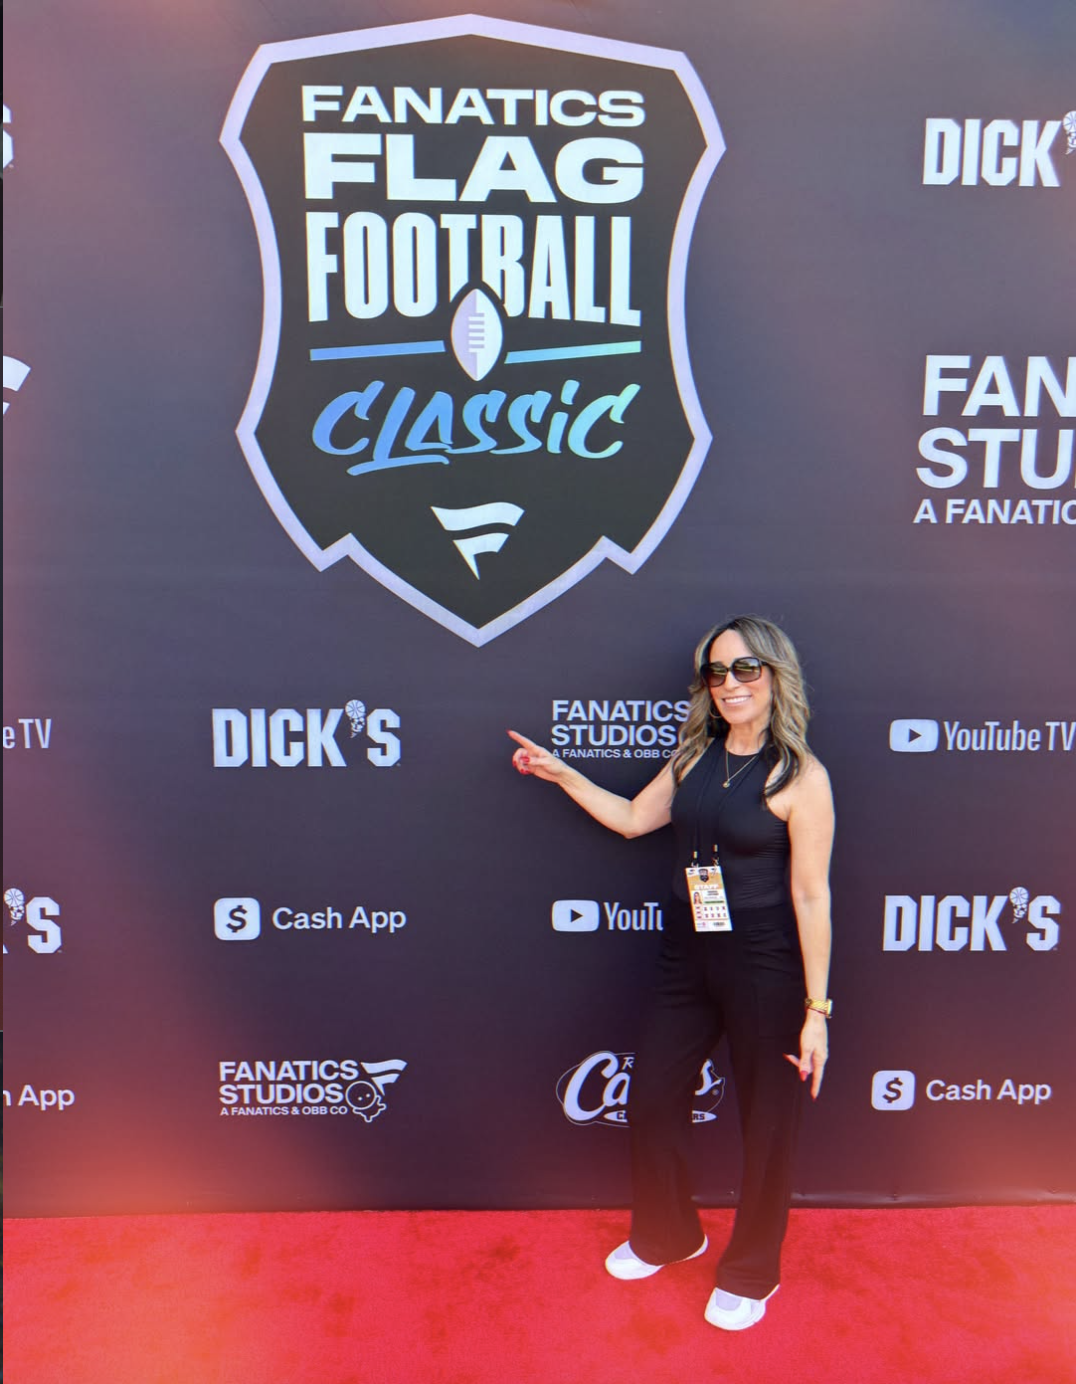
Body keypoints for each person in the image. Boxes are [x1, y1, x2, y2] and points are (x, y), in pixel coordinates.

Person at [508, 615, 833, 1332]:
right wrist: (562, 772)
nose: (730, 685)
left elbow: (811, 893)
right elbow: (630, 819)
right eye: (716, 673)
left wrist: (817, 1010)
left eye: (745, 669)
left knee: (769, 1126)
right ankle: (670, 1234)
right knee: (653, 1098)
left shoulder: (799, 776)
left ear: (776, 674)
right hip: (688, 956)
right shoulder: (695, 757)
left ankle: (753, 1270)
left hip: (765, 967)